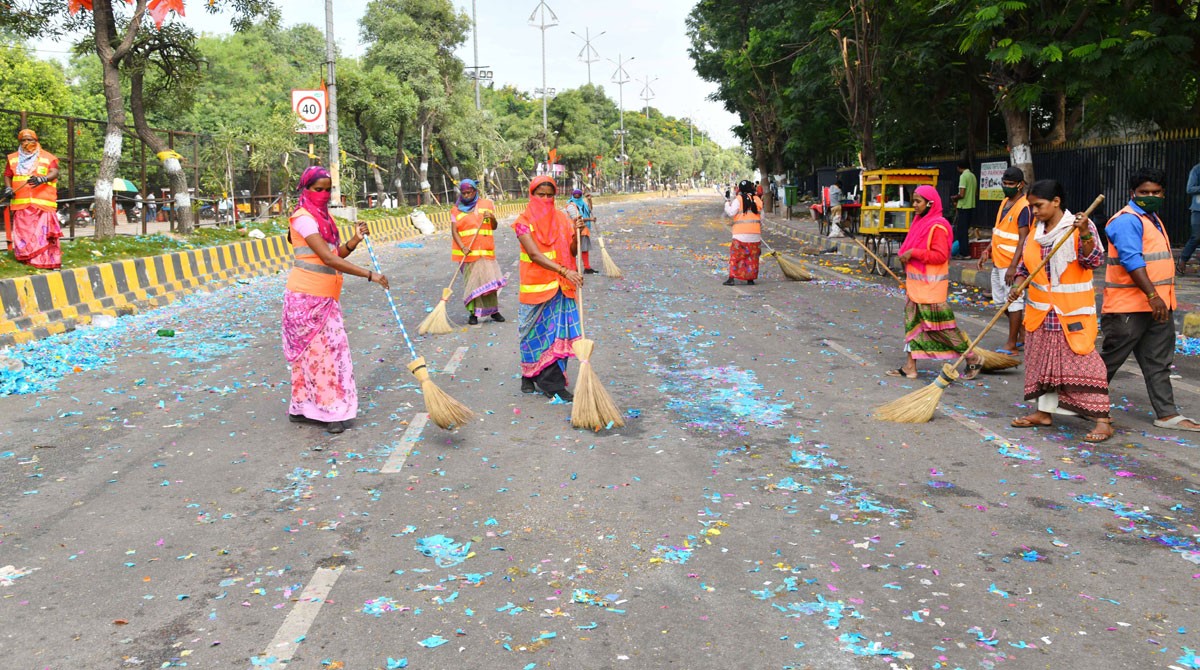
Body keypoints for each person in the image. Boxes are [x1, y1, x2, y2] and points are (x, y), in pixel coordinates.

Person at [282, 165, 389, 435]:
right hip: (306, 298)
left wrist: (354, 240)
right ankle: (329, 412)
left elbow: (335, 254)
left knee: (321, 355)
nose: (324, 194)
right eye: (319, 190)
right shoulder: (303, 218)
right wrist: (370, 275)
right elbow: (329, 260)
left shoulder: (323, 219)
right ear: (305, 189)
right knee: (323, 357)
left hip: (327, 298)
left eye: (328, 190)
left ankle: (305, 407)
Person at [1008, 179, 1112, 442]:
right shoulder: (1036, 230)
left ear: (1056, 202)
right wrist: (1019, 285)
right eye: (1031, 207)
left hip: (1071, 313)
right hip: (1041, 313)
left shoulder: (1078, 227)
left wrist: (1086, 232)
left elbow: (1093, 261)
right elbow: (1025, 267)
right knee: (1042, 364)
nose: (1034, 211)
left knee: (1087, 365)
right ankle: (1043, 413)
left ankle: (1102, 420)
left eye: (1038, 206)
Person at [1101, 167, 1200, 432]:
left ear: (1163, 193)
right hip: (1130, 307)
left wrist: (1160, 300)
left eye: (1156, 192)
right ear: (1132, 193)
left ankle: (1166, 413)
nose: (1150, 196)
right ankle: (1079, 401)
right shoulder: (1127, 220)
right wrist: (1153, 295)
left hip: (1158, 306)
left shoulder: (1151, 218)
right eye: (1144, 192)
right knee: (1110, 360)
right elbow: (1132, 260)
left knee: (1159, 362)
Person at [890, 185, 983, 380]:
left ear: (930, 203)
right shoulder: (919, 222)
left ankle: (973, 358)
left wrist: (913, 253)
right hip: (916, 288)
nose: (914, 205)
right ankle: (910, 367)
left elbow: (940, 256)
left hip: (931, 290)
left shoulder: (938, 226)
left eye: (918, 201)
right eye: (913, 201)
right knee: (912, 326)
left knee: (944, 329)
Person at [513, 175, 585, 401]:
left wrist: (578, 232)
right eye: (540, 195)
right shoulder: (523, 222)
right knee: (531, 334)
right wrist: (565, 271)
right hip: (536, 286)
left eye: (549, 195)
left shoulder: (563, 220)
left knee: (556, 334)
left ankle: (551, 383)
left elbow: (572, 251)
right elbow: (534, 255)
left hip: (561, 288)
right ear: (532, 195)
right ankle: (529, 374)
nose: (545, 199)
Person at [976, 166, 1031, 354]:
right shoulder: (1004, 202)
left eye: (1010, 184)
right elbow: (998, 230)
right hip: (998, 259)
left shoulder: (1024, 207)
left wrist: (1014, 266)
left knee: (1013, 302)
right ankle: (1022, 332)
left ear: (1020, 185)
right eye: (1004, 183)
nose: (1006, 187)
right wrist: (987, 250)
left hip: (1011, 263)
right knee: (1000, 302)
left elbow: (1023, 238)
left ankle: (1011, 344)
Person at [3, 129, 62, 269]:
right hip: (22, 205)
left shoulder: (48, 157)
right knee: (24, 234)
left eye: (30, 140)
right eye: (23, 140)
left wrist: (43, 178)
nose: (26, 143)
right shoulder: (12, 158)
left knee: (44, 234)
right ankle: (27, 260)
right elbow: (7, 174)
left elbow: (54, 172)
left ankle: (48, 262)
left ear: (36, 141)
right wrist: (8, 188)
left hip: (43, 206)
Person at [451, 178, 506, 325]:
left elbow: (493, 226)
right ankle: (473, 314)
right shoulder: (455, 209)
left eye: (469, 192)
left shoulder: (486, 205)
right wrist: (462, 247)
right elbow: (454, 231)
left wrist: (492, 217)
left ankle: (493, 311)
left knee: (489, 284)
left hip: (485, 252)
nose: (467, 195)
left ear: (476, 191)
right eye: (464, 193)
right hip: (468, 254)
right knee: (472, 284)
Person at [723, 180, 762, 286]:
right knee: (752, 257)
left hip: (740, 235)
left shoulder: (738, 200)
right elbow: (761, 217)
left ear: (740, 189)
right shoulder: (758, 200)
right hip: (755, 235)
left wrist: (727, 203)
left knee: (736, 256)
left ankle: (731, 278)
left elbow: (731, 212)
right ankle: (750, 279)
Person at [565, 188, 597, 274]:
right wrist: (590, 219)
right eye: (575, 195)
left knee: (584, 249)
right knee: (574, 250)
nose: (577, 196)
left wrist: (589, 200)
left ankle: (587, 267)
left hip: (584, 229)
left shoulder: (583, 203)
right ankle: (574, 267)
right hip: (575, 230)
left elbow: (590, 209)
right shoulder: (571, 205)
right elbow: (576, 218)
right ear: (573, 195)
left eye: (578, 195)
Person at [950, 159, 977, 260]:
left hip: (963, 206)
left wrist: (954, 197)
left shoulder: (963, 176)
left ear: (959, 167)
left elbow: (961, 194)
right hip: (971, 205)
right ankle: (965, 252)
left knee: (961, 231)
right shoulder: (973, 176)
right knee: (965, 230)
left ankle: (964, 253)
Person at [1178, 159, 1200, 274]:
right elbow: (1190, 188)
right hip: (1198, 209)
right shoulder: (1197, 169)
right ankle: (1183, 259)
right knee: (1196, 237)